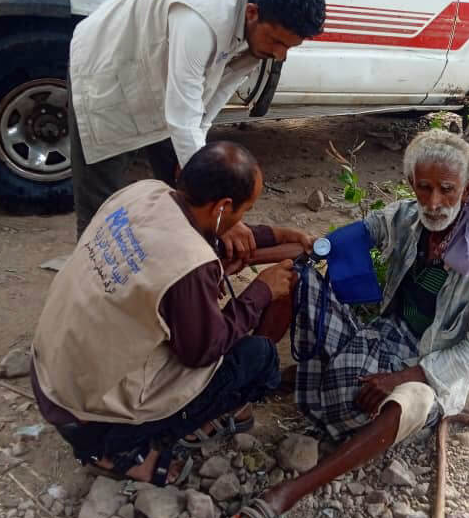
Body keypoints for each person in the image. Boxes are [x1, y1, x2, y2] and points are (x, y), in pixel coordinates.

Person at [220, 130, 469, 518]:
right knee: (296, 278)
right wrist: (244, 255)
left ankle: (288, 493)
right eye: (424, 187)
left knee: (411, 401)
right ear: (412, 184)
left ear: (468, 189)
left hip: (426, 366)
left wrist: (405, 376)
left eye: (447, 189)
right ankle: (246, 395)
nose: (433, 201)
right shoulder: (409, 217)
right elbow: (342, 241)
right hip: (380, 336)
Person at [30, 142, 312, 483]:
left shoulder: (143, 193)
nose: (244, 220)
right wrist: (261, 291)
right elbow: (202, 352)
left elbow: (187, 242)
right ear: (223, 206)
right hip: (87, 418)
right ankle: (122, 450)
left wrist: (278, 236)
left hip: (49, 372)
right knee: (257, 357)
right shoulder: (190, 264)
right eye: (245, 210)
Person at [67, 0, 326, 239]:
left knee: (188, 190)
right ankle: (93, 273)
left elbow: (215, 95)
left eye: (289, 47)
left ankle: (175, 264)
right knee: (101, 208)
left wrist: (197, 157)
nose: (279, 54)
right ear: (251, 13)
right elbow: (182, 117)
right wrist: (221, 215)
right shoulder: (200, 19)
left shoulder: (262, 26)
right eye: (276, 42)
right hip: (109, 65)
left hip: (164, 77)